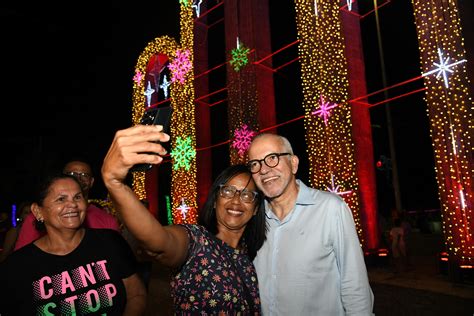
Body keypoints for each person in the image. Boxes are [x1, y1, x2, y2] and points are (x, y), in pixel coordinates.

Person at [101, 124, 265, 314]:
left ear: (255, 209)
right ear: (214, 201)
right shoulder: (198, 242)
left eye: (247, 195)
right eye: (227, 191)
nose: (236, 201)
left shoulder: (255, 254)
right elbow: (160, 242)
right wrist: (114, 183)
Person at [247, 133, 374, 315]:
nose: (264, 170)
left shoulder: (330, 208)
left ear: (293, 163)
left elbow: (355, 285)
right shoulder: (253, 218)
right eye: (255, 164)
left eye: (272, 158)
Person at [0, 173, 146, 315]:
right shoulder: (17, 266)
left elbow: (136, 294)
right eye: (61, 199)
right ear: (38, 211)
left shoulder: (110, 242)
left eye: (77, 197)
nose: (73, 204)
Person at [15, 158, 120, 250]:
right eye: (72, 174)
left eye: (84, 175)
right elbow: (22, 262)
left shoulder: (107, 221)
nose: (78, 178)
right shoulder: (37, 218)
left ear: (91, 182)